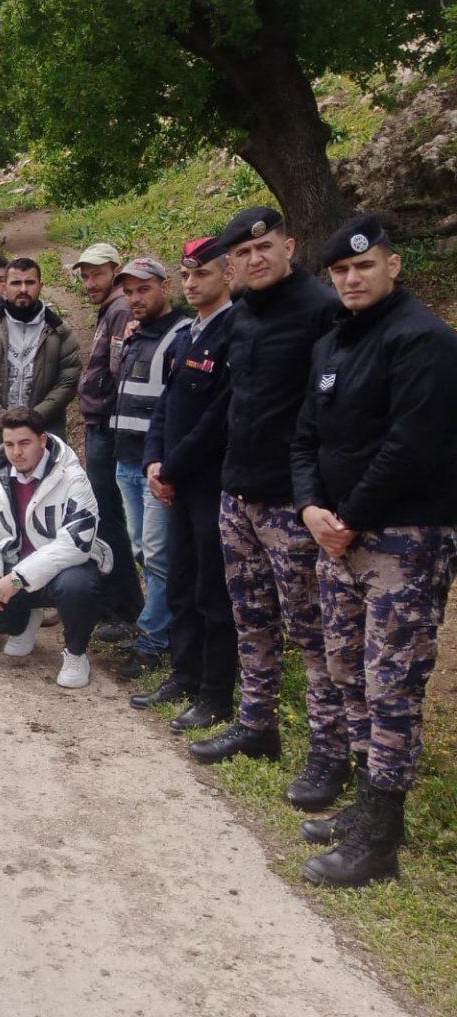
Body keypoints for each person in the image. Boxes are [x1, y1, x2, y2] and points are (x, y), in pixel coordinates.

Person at [291, 213, 457, 887]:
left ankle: (380, 840)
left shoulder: (426, 339)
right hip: (337, 538)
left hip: (403, 540)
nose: (352, 278)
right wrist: (311, 508)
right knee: (348, 672)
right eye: (340, 270)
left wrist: (349, 518)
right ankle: (367, 806)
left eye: (364, 265)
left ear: (393, 265)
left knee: (392, 685)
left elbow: (410, 446)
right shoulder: (333, 341)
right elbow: (305, 437)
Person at [189, 206, 351, 815]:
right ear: (232, 265)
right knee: (251, 618)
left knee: (311, 632)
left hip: (294, 503)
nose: (255, 259)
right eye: (243, 253)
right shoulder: (242, 313)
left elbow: (333, 412)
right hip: (239, 493)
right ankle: (258, 724)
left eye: (265, 247)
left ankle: (330, 752)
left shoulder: (322, 309)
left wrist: (320, 497)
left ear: (290, 245)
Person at [133, 236, 238, 732]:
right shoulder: (185, 336)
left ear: (228, 275)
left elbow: (218, 419)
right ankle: (184, 673)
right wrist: (153, 461)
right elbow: (165, 408)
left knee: (212, 592)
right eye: (186, 275)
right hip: (174, 483)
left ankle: (215, 693)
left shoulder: (235, 331)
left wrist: (170, 469)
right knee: (180, 582)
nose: (192, 283)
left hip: (210, 484)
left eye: (203, 274)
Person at [0, 407, 112, 688]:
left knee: (78, 587)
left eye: (24, 443)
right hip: (16, 566)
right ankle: (25, 620)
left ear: (42, 440)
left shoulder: (73, 477)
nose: (16, 452)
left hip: (64, 570)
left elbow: (75, 545)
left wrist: (17, 579)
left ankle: (76, 653)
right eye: (9, 444)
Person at [109, 257, 191, 678]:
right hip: (126, 458)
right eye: (129, 292)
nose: (135, 298)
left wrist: (166, 463)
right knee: (142, 549)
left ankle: (154, 640)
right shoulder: (135, 334)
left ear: (165, 286)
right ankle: (160, 626)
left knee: (158, 554)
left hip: (155, 465)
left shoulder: (184, 334)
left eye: (143, 289)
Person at [72, 242, 142, 639]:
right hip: (102, 425)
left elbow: (120, 372)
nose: (90, 282)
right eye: (85, 276)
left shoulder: (119, 310)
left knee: (110, 519)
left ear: (115, 270)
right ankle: (122, 605)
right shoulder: (111, 309)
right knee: (108, 516)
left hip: (110, 428)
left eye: (97, 273)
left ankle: (123, 609)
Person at [0, 258, 81, 448]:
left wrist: (35, 417)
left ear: (40, 285)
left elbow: (68, 380)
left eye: (30, 282)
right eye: (16, 283)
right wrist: (0, 416)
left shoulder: (60, 331)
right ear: (5, 287)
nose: (23, 289)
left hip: (45, 434)